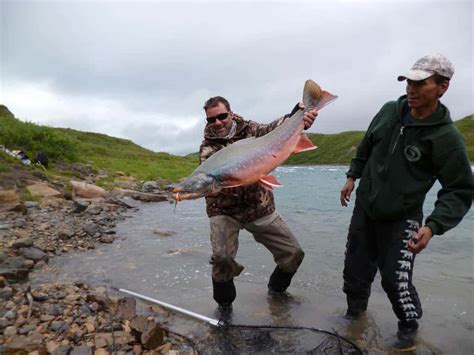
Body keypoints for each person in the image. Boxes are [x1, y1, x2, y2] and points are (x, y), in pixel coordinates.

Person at [339, 54, 473, 351]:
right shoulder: (389, 111)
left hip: (403, 218)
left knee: (394, 281)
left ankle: (409, 328)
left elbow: (459, 189)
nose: (411, 89)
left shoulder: (446, 137)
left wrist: (433, 226)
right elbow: (367, 145)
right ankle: (355, 320)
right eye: (408, 82)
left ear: (442, 87)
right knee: (355, 271)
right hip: (365, 209)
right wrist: (353, 176)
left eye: (420, 83)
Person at [199, 95, 318, 318]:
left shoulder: (251, 129)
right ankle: (224, 308)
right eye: (211, 120)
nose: (217, 123)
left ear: (231, 114)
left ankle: (276, 293)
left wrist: (297, 116)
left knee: (293, 253)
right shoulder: (207, 148)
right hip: (224, 210)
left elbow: (274, 128)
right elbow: (209, 182)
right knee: (222, 259)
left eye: (222, 116)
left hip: (259, 206)